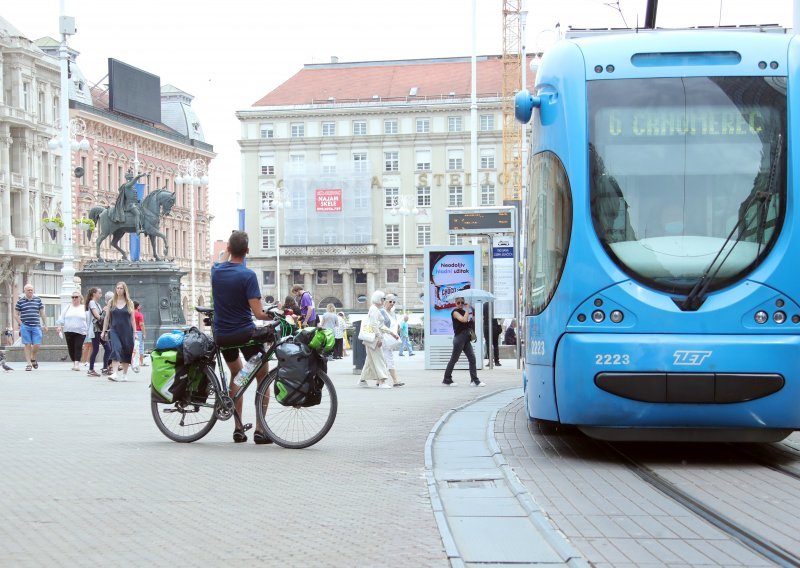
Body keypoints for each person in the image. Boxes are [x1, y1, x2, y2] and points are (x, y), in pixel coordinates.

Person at [212, 230, 274, 444]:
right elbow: (258, 314)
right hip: (244, 334)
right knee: (262, 377)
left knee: (237, 374)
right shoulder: (248, 276)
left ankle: (238, 428)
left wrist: (225, 252)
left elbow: (220, 260)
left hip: (222, 335)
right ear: (247, 251)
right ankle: (260, 429)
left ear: (228, 249)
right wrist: (274, 313)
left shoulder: (216, 271)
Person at [359, 290, 397, 389]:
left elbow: (379, 325)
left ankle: (362, 380)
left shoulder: (374, 309)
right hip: (374, 339)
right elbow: (375, 324)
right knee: (380, 359)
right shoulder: (375, 310)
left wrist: (391, 333)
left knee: (370, 360)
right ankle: (382, 381)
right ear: (379, 299)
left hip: (371, 338)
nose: (384, 300)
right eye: (383, 299)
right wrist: (379, 337)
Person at [442, 297, 484, 387]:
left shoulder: (463, 312)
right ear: (455, 303)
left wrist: (472, 318)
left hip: (466, 338)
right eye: (458, 302)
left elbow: (467, 323)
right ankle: (447, 379)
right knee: (454, 359)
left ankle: (474, 380)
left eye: (462, 302)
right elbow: (463, 320)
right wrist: (468, 309)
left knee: (472, 358)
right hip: (459, 338)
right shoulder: (455, 312)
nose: (460, 304)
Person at [101, 281, 136, 382]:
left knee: (126, 351)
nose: (119, 290)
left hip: (127, 331)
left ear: (125, 290)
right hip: (114, 330)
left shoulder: (129, 302)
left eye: (121, 288)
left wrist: (135, 333)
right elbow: (107, 318)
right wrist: (103, 331)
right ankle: (115, 373)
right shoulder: (111, 302)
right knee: (116, 349)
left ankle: (124, 374)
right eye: (117, 288)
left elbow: (132, 319)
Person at [15, 284, 47, 371]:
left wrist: (45, 324)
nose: (30, 291)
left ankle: (32, 356)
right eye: (28, 290)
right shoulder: (20, 301)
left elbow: (42, 313)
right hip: (25, 326)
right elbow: (16, 315)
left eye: (31, 290)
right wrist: (21, 324)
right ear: (25, 291)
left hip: (36, 326)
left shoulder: (38, 300)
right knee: (27, 344)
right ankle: (29, 364)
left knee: (37, 344)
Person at [56, 292, 88, 371]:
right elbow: (61, 318)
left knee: (78, 346)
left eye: (76, 297)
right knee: (71, 348)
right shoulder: (67, 307)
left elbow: (89, 319)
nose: (74, 299)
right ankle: (74, 362)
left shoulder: (84, 308)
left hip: (81, 331)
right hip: (68, 330)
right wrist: (59, 326)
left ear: (80, 298)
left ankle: (77, 363)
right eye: (72, 297)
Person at [381, 294, 404, 387]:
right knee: (388, 359)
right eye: (390, 301)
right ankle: (395, 380)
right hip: (384, 339)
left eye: (394, 302)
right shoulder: (382, 312)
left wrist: (397, 331)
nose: (392, 303)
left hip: (391, 339)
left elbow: (395, 325)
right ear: (385, 301)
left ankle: (377, 380)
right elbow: (381, 326)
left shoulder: (393, 313)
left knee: (383, 360)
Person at [133, 300, 147, 370]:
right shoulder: (139, 314)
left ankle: (131, 361)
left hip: (131, 332)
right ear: (138, 306)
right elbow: (141, 324)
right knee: (140, 346)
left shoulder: (130, 313)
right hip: (138, 332)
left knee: (132, 347)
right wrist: (144, 333)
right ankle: (141, 362)